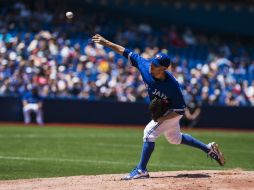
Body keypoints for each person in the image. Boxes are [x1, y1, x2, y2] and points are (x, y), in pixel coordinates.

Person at [92, 34, 225, 180]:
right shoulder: (144, 65)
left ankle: (141, 170)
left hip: (173, 111)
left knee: (149, 133)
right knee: (175, 138)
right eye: (152, 62)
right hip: (167, 110)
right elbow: (125, 51)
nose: (151, 65)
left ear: (163, 69)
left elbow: (180, 110)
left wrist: (162, 118)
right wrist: (106, 42)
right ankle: (208, 148)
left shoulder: (172, 86)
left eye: (155, 65)